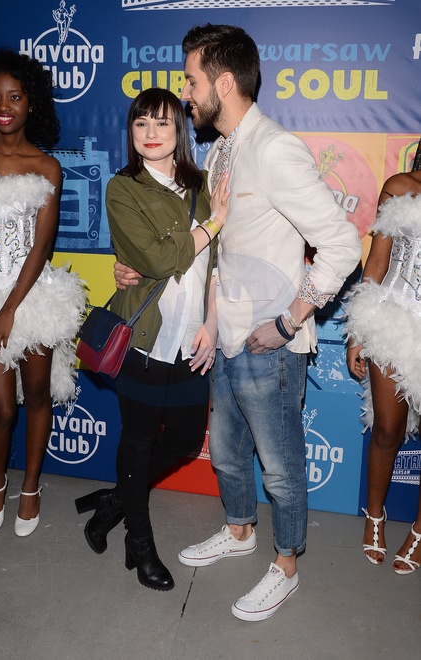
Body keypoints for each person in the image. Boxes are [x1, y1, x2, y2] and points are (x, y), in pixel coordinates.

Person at [114, 24, 362, 620]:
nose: (185, 94)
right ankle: (240, 529)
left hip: (269, 343)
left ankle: (287, 564)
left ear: (223, 82)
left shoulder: (274, 148)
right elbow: (210, 248)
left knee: (281, 466)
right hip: (224, 336)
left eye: (191, 81)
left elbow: (343, 245)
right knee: (225, 454)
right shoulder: (221, 151)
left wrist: (290, 320)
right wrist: (144, 273)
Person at [75, 87, 229, 591]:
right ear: (131, 132)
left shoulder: (201, 184)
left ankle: (114, 503)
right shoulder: (124, 188)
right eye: (141, 123)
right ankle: (139, 543)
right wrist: (214, 223)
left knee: (183, 440)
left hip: (193, 340)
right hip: (143, 340)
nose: (151, 133)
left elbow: (216, 265)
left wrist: (212, 322)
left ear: (179, 130)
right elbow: (160, 260)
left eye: (163, 122)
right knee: (139, 442)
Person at [0, 49, 85, 537]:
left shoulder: (47, 167)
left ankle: (32, 485)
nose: (4, 106)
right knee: (2, 406)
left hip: (33, 298)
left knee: (36, 395)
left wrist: (9, 311)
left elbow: (41, 247)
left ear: (31, 103)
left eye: (14, 97)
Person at [346, 156, 421, 575]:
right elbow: (376, 264)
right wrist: (356, 333)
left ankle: (420, 532)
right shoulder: (399, 184)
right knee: (388, 429)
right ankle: (375, 515)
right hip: (392, 320)